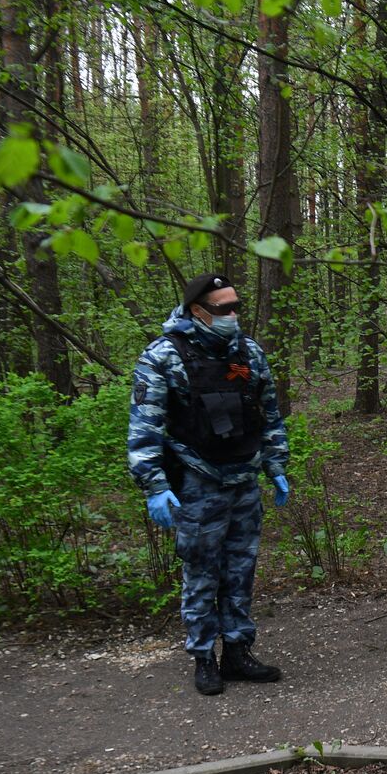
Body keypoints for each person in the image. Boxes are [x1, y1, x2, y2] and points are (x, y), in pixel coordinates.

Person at [128, 273, 290, 697]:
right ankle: (204, 657)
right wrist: (155, 485)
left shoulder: (248, 353)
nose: (232, 315)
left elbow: (268, 413)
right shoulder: (164, 357)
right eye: (223, 309)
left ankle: (238, 651)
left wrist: (276, 465)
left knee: (240, 570)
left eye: (237, 305)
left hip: (244, 477)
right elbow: (145, 428)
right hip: (197, 482)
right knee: (202, 572)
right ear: (198, 311)